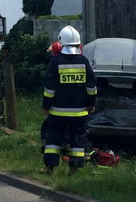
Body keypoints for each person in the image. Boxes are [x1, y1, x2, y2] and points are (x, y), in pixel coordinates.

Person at [41, 25, 97, 175]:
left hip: (57, 111)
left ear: (61, 42)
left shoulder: (56, 61)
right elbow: (91, 86)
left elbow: (50, 88)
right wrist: (91, 103)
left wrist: (46, 106)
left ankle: (49, 168)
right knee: (77, 139)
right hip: (79, 112)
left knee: (52, 137)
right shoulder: (84, 61)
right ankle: (74, 168)